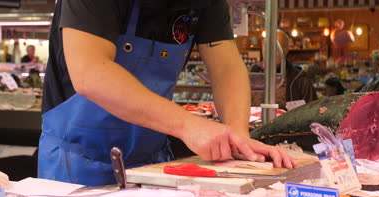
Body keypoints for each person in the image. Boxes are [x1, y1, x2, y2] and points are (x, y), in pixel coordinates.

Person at [38, 0, 296, 186]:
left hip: (152, 164)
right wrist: (187, 125)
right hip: (76, 164)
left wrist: (239, 136)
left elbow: (227, 68)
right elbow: (90, 72)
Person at [250, 30, 317, 108]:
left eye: (276, 48)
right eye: (267, 46)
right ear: (262, 46)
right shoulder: (251, 73)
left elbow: (313, 113)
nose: (270, 52)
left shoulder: (300, 80)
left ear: (286, 50)